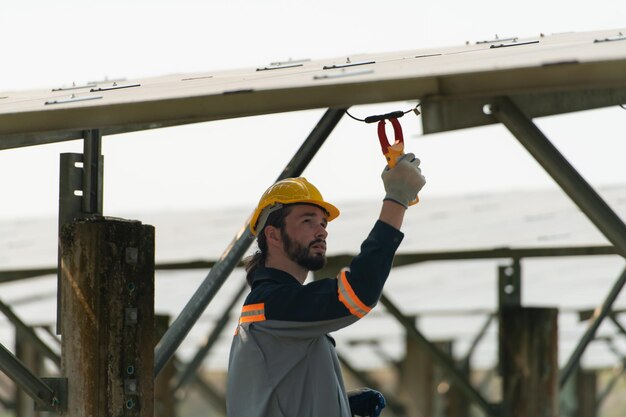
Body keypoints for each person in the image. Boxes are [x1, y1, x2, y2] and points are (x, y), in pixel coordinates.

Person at [227, 153, 425, 417]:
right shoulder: (271, 306)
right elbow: (357, 294)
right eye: (307, 220)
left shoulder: (277, 312)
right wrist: (397, 199)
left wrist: (341, 404)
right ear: (273, 234)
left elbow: (282, 398)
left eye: (322, 223)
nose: (321, 230)